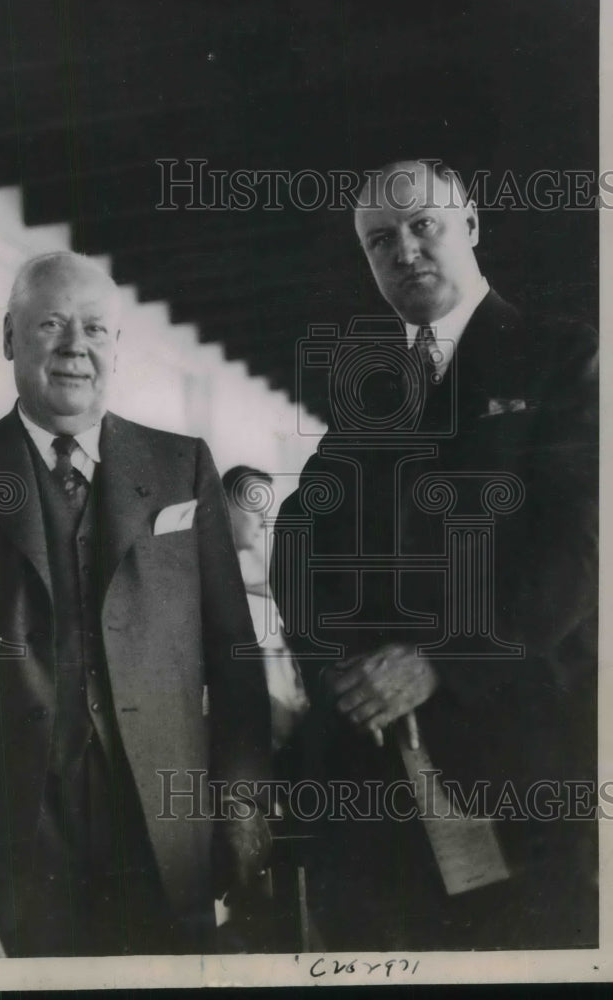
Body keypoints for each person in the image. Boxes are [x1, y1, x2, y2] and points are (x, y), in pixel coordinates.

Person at [0, 252, 272, 957]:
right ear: (11, 338)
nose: (76, 346)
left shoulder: (182, 465)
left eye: (95, 329)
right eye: (51, 324)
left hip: (166, 827)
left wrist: (243, 798)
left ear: (116, 347)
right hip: (6, 831)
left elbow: (232, 650)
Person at [272, 160, 598, 950]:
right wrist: (342, 672)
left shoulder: (565, 356)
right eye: (379, 241)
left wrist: (435, 661)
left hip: (514, 760)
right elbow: (297, 541)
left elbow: (579, 551)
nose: (404, 251)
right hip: (370, 771)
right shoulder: (372, 388)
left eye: (424, 226)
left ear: (472, 226)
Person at [222, 466, 309, 755]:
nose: (263, 521)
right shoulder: (201, 577)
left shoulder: (258, 570)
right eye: (254, 508)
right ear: (224, 504)